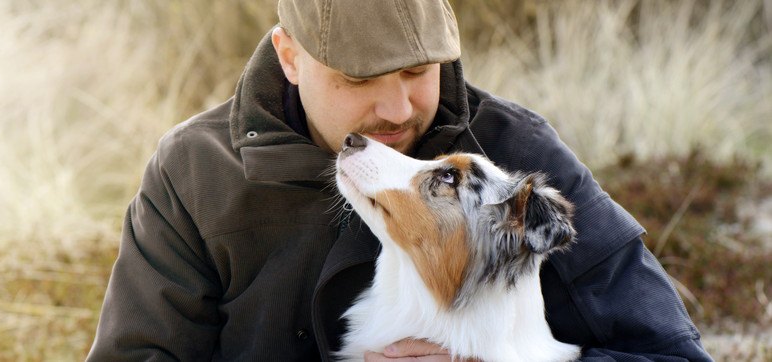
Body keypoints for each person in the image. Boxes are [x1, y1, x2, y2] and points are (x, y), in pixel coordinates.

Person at [87, 1, 713, 361]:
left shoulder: (515, 157)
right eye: (359, 79)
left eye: (418, 70)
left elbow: (675, 357)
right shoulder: (193, 172)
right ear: (289, 55)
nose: (397, 109)